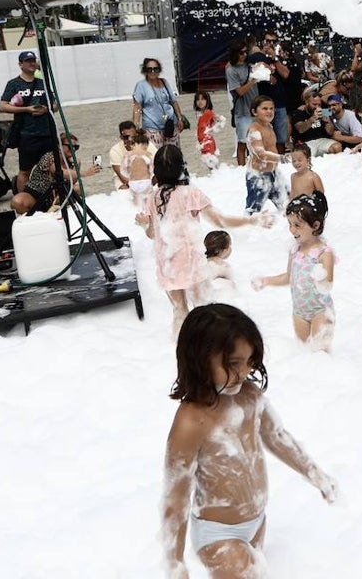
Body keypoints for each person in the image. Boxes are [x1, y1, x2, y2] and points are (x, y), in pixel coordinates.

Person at [162, 303, 337, 579]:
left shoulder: (249, 395)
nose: (244, 373)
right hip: (217, 533)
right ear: (198, 358)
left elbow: (277, 436)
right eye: (233, 364)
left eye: (249, 362)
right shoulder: (191, 422)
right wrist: (174, 562)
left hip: (256, 522)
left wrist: (313, 473)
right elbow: (176, 497)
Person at [135, 145, 270, 335]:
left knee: (179, 311)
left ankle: (181, 352)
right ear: (182, 167)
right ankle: (208, 348)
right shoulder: (190, 193)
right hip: (190, 263)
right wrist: (252, 220)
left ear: (156, 170)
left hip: (167, 264)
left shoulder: (153, 197)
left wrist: (143, 224)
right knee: (203, 309)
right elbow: (220, 220)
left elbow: (152, 234)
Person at [252, 194, 336, 352]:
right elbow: (288, 277)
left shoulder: (324, 253)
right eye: (290, 224)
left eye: (298, 225)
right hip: (299, 312)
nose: (292, 230)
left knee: (320, 353)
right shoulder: (295, 250)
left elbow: (328, 284)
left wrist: (320, 277)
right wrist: (266, 281)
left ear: (315, 225)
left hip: (321, 310)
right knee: (303, 353)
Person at [0, 50, 58, 192]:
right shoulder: (14, 84)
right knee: (25, 170)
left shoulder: (43, 83)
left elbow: (55, 105)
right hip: (27, 134)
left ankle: (51, 199)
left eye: (33, 60)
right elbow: (2, 106)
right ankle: (22, 202)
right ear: (20, 64)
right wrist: (27, 109)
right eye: (27, 61)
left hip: (47, 132)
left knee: (52, 168)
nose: (31, 63)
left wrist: (47, 108)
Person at [9, 131, 100, 216]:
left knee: (78, 189)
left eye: (76, 147)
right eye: (70, 146)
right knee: (17, 202)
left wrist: (75, 167)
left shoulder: (73, 162)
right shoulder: (50, 156)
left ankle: (56, 208)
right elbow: (60, 172)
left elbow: (72, 182)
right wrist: (85, 173)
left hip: (54, 195)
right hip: (36, 194)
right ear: (59, 146)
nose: (73, 149)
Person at [132, 57, 187, 150]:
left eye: (155, 69)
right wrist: (135, 125)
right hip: (152, 128)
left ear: (159, 70)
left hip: (170, 125)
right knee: (156, 157)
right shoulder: (141, 86)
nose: (153, 71)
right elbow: (137, 107)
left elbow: (173, 101)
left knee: (172, 155)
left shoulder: (164, 82)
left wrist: (180, 118)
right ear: (145, 70)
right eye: (149, 69)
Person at [244, 96, 286, 215]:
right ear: (254, 112)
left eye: (271, 108)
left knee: (286, 204)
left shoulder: (269, 126)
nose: (269, 111)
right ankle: (247, 231)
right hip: (258, 176)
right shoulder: (254, 130)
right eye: (265, 108)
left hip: (273, 173)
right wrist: (280, 157)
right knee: (253, 211)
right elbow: (261, 154)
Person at [225, 41, 259, 166]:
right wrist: (253, 81)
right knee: (242, 142)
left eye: (246, 51)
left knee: (256, 141)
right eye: (241, 52)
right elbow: (239, 91)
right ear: (235, 54)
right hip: (243, 111)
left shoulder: (250, 65)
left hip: (256, 109)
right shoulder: (231, 70)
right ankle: (241, 169)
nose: (244, 54)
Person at [293, 89, 341, 157]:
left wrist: (328, 122)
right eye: (314, 104)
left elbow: (330, 132)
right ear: (307, 102)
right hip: (306, 142)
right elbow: (300, 129)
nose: (317, 107)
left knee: (337, 147)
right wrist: (313, 118)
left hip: (322, 140)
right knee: (303, 156)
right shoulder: (299, 112)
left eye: (319, 104)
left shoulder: (324, 111)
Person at [123, 130, 154, 207]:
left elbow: (123, 170)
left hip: (133, 183)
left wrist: (129, 176)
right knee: (147, 205)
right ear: (145, 144)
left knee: (135, 205)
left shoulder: (128, 155)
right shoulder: (148, 154)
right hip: (145, 182)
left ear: (133, 144)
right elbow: (152, 170)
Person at [194, 91, 222, 170]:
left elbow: (219, 119)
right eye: (198, 99)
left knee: (211, 163)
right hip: (203, 142)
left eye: (203, 99)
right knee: (209, 163)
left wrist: (215, 123)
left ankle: (216, 177)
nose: (200, 102)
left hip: (207, 142)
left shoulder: (208, 112)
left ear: (207, 101)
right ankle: (215, 176)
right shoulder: (199, 113)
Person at [108, 121, 137, 190]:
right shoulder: (115, 151)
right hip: (124, 180)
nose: (130, 140)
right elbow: (122, 178)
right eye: (126, 137)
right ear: (121, 137)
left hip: (145, 178)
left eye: (133, 137)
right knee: (125, 190)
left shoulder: (146, 144)